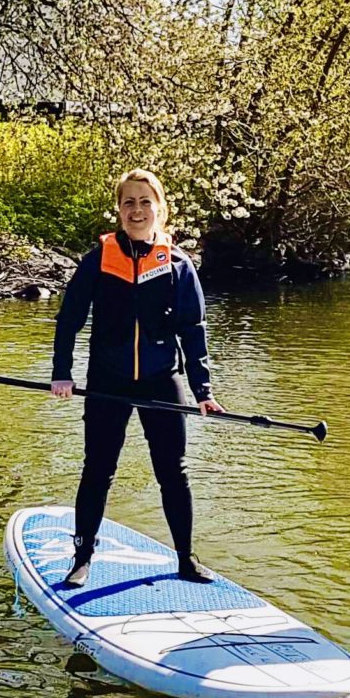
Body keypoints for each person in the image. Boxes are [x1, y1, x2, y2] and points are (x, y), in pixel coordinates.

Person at [50, 168, 223, 589]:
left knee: (173, 472)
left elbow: (193, 331)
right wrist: (62, 373)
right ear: (119, 209)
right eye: (129, 202)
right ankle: (82, 557)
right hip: (107, 381)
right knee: (98, 469)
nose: (137, 210)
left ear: (160, 209)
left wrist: (203, 391)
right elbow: (69, 319)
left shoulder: (178, 266)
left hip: (161, 379)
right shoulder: (97, 261)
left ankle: (185, 558)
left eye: (145, 202)